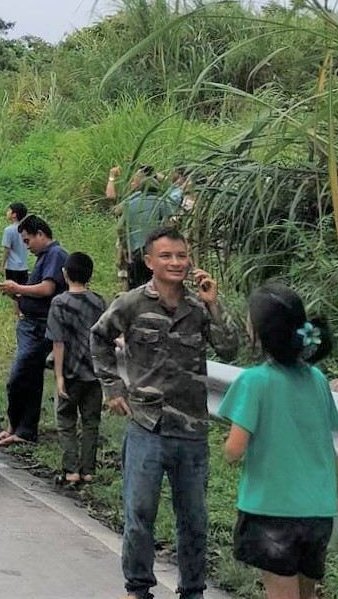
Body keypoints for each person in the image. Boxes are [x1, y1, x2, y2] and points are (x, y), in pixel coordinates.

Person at [91, 226, 239, 599]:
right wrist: (113, 387)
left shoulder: (196, 307)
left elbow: (230, 348)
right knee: (139, 514)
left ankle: (192, 590)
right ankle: (138, 587)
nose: (176, 262)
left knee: (194, 521)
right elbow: (99, 337)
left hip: (191, 431)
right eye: (167, 256)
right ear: (149, 262)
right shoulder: (131, 303)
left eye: (181, 255)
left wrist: (213, 303)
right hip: (147, 426)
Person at [220, 284, 338, 599]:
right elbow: (326, 443)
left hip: (272, 510)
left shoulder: (254, 381)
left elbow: (234, 450)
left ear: (259, 331)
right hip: (317, 512)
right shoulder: (317, 380)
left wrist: (229, 447)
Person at [0, 216, 68, 448]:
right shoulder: (44, 257)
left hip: (40, 326)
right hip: (31, 325)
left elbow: (47, 289)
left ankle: (18, 426)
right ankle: (21, 429)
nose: (27, 246)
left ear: (40, 234)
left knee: (19, 376)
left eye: (27, 241)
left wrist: (18, 288)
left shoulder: (55, 255)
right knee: (30, 378)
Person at [47, 251, 106, 486]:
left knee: (66, 419)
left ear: (64, 274)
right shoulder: (99, 301)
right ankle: (88, 471)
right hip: (94, 373)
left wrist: (59, 375)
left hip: (70, 371)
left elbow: (58, 342)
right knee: (91, 421)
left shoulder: (59, 303)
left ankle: (71, 470)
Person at [106, 165, 171, 289]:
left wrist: (125, 248)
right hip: (157, 253)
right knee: (159, 288)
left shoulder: (131, 203)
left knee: (138, 288)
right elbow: (170, 225)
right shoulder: (162, 202)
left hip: (137, 253)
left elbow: (120, 227)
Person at [0, 202, 30, 286]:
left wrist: (2, 266)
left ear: (14, 214)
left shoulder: (9, 230)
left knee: (13, 293)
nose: (7, 212)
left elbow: (7, 250)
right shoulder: (26, 229)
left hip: (12, 267)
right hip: (24, 267)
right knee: (22, 292)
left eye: (9, 210)